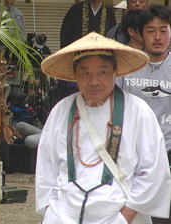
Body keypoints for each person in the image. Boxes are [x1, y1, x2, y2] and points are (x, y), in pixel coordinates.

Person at [35, 32, 171, 224]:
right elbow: (45, 167)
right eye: (85, 73)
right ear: (75, 75)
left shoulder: (138, 111)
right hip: (64, 215)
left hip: (118, 215)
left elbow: (154, 170)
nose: (94, 81)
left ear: (116, 71)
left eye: (103, 72)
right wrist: (52, 211)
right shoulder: (61, 110)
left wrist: (126, 216)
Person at [116, 5, 171, 223]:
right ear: (140, 34)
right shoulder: (126, 68)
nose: (157, 37)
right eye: (150, 30)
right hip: (134, 157)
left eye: (164, 30)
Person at [59, 0, 116, 101]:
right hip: (79, 61)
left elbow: (111, 39)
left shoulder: (109, 13)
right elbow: (65, 37)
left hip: (101, 63)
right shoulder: (75, 10)